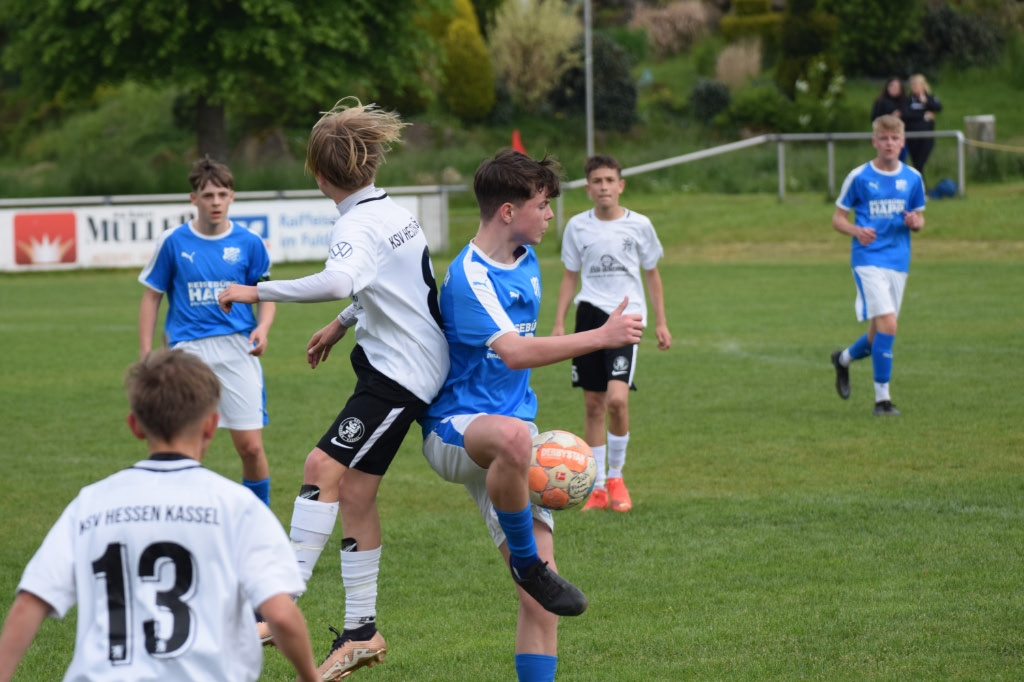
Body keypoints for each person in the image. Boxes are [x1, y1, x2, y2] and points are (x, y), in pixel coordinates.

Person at [218, 98, 448, 681]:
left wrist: (256, 291)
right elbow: (384, 286)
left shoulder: (354, 224)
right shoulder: (390, 210)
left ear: (319, 176)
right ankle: (362, 632)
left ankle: (278, 609)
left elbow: (341, 279)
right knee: (356, 494)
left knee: (320, 466)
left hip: (401, 375)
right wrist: (343, 323)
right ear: (369, 164)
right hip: (401, 364)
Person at [420, 149, 645, 682]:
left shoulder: (526, 261)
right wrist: (601, 336)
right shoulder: (469, 275)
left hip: (514, 445)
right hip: (456, 431)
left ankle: (533, 576)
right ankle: (527, 564)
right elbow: (516, 353)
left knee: (542, 603)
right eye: (541, 205)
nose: (549, 215)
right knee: (515, 440)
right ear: (507, 211)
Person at [0, 349, 318, 682]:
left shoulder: (91, 504)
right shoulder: (238, 507)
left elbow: (30, 601)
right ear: (211, 425)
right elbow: (281, 615)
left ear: (135, 426)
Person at [138, 157, 276, 507]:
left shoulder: (249, 242)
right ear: (193, 199)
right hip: (188, 352)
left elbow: (266, 294)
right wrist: (146, 354)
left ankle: (258, 519)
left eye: (222, 194)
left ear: (232, 197)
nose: (216, 202)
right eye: (208, 195)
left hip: (238, 349)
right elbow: (152, 296)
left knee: (251, 447)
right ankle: (179, 516)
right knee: (184, 446)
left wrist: (263, 328)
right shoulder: (173, 241)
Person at [551, 154, 671, 513]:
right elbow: (570, 276)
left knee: (617, 400)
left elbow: (652, 274)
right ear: (588, 188)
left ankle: (617, 477)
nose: (603, 187)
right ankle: (598, 487)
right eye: (597, 181)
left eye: (609, 180)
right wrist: (559, 323)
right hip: (589, 315)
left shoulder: (640, 225)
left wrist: (661, 322)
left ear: (621, 185)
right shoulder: (577, 227)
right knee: (593, 404)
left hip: (626, 317)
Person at [830, 114, 926, 416]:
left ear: (902, 142)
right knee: (889, 325)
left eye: (894, 138)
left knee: (878, 334)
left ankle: (843, 360)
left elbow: (919, 218)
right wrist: (857, 231)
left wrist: (915, 222)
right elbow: (837, 219)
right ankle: (882, 401)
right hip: (868, 259)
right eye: (883, 138)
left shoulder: (913, 177)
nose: (889, 144)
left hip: (898, 260)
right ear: (874, 142)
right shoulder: (859, 176)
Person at [903, 73, 943, 187]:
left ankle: (921, 188)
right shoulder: (908, 100)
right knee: (916, 163)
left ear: (923, 85)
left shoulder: (929, 98)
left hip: (927, 137)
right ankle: (921, 188)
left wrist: (926, 102)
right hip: (912, 136)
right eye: (912, 84)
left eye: (916, 84)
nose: (914, 87)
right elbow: (905, 114)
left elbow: (938, 108)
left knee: (920, 163)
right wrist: (923, 116)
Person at [871, 77, 908, 163]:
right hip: (884, 134)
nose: (894, 89)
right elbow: (874, 119)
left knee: (901, 160)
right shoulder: (880, 102)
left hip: (901, 134)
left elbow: (911, 115)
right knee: (886, 159)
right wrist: (890, 118)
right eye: (892, 86)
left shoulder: (905, 101)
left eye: (897, 87)